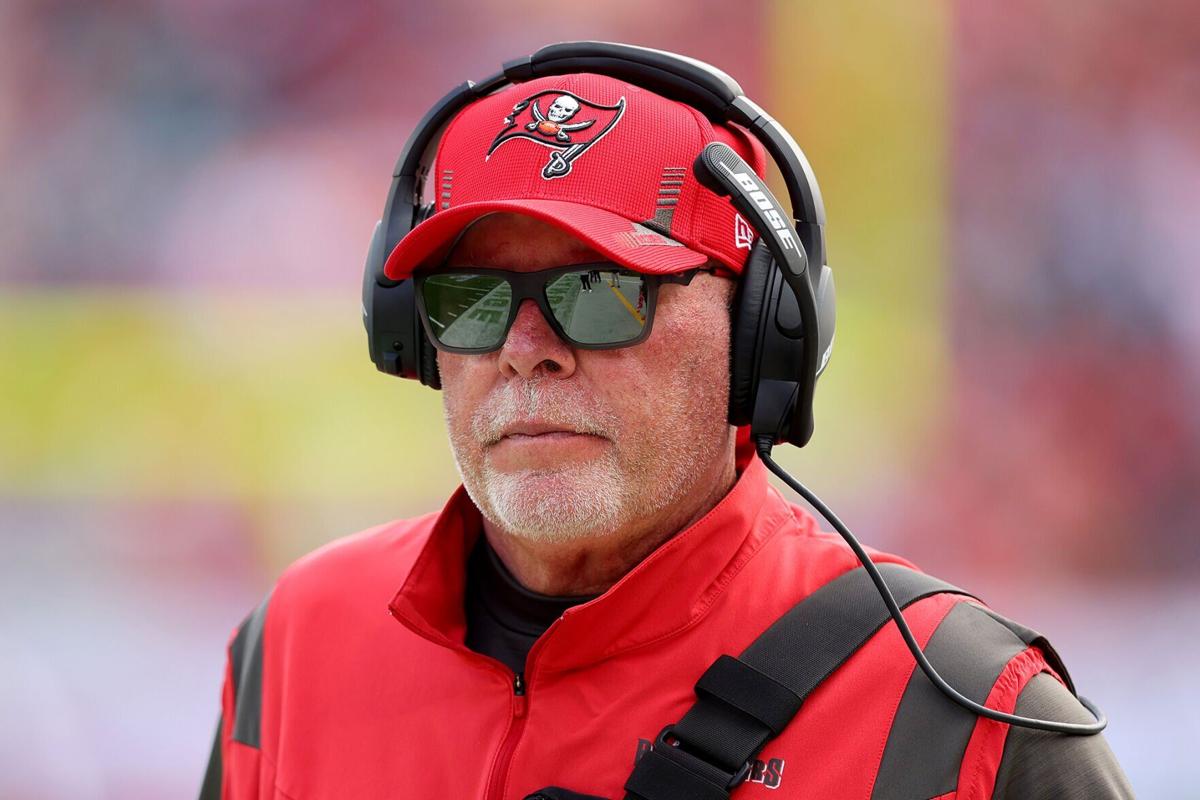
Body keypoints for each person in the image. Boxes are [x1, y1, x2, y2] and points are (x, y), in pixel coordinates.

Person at [199, 46, 1135, 799]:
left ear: (762, 328)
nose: (526, 347)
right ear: (411, 335)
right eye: (471, 300)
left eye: (600, 292)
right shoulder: (294, 644)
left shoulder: (961, 714)